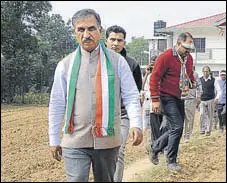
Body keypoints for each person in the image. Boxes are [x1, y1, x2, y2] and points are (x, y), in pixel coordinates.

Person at [48, 9, 143, 182]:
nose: (86, 35)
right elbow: (57, 102)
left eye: (91, 29)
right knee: (76, 179)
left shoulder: (118, 61)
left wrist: (136, 123)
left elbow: (130, 95)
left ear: (100, 30)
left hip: (107, 140)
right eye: (81, 30)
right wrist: (53, 138)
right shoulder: (65, 65)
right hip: (74, 138)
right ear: (74, 32)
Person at [149, 32, 196, 171]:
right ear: (178, 44)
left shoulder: (189, 59)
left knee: (175, 127)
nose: (188, 51)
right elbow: (154, 78)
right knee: (177, 127)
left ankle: (155, 147)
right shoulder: (166, 57)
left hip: (179, 96)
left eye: (190, 48)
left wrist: (192, 82)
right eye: (186, 47)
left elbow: (190, 74)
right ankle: (171, 161)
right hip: (165, 96)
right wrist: (155, 99)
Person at [105, 25, 142, 182]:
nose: (115, 43)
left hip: (122, 114)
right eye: (112, 39)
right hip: (101, 114)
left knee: (118, 151)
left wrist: (136, 122)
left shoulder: (131, 64)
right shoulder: (96, 61)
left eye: (119, 40)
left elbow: (134, 93)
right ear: (106, 41)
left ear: (124, 43)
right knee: (101, 153)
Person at [184, 66, 202, 142]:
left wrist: (198, 96)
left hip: (190, 98)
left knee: (189, 119)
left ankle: (187, 136)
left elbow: (199, 86)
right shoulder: (178, 73)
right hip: (179, 98)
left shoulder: (194, 74)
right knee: (179, 119)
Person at [199, 65, 216, 136]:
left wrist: (216, 98)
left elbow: (216, 89)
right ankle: (202, 129)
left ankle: (208, 130)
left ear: (209, 72)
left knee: (210, 115)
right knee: (202, 114)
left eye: (207, 71)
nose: (205, 73)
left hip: (210, 99)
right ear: (203, 72)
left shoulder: (213, 80)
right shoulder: (200, 80)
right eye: (204, 71)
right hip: (202, 100)